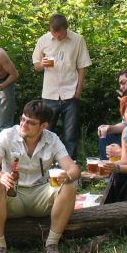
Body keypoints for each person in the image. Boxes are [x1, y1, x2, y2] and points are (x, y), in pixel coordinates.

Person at [0, 100, 80, 253]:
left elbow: (74, 169)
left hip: (40, 195)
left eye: (31, 122)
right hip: (13, 195)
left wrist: (67, 175)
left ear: (44, 126)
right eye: (23, 119)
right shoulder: (7, 135)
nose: (24, 125)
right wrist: (0, 176)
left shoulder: (52, 139)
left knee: (70, 186)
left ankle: (52, 244)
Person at [32, 14, 91, 158]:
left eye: (61, 34)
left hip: (70, 92)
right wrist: (42, 64)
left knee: (70, 134)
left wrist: (79, 90)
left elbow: (82, 66)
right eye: (54, 33)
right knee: (45, 131)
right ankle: (44, 163)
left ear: (66, 29)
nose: (57, 37)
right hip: (49, 93)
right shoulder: (43, 40)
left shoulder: (77, 40)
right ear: (50, 29)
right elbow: (36, 66)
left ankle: (70, 165)